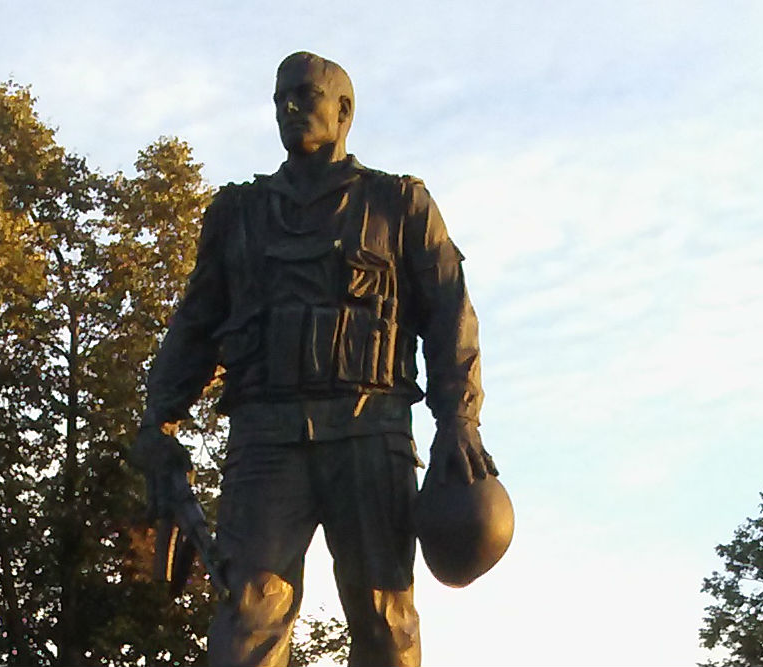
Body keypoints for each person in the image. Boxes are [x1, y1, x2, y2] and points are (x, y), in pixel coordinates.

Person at [132, 51, 497, 667]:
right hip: (265, 442)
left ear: (344, 111)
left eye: (304, 95)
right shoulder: (238, 216)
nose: (290, 109)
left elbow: (449, 311)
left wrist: (459, 417)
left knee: (385, 620)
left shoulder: (398, 205)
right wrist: (157, 420)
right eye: (280, 100)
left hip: (369, 433)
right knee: (248, 615)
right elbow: (196, 325)